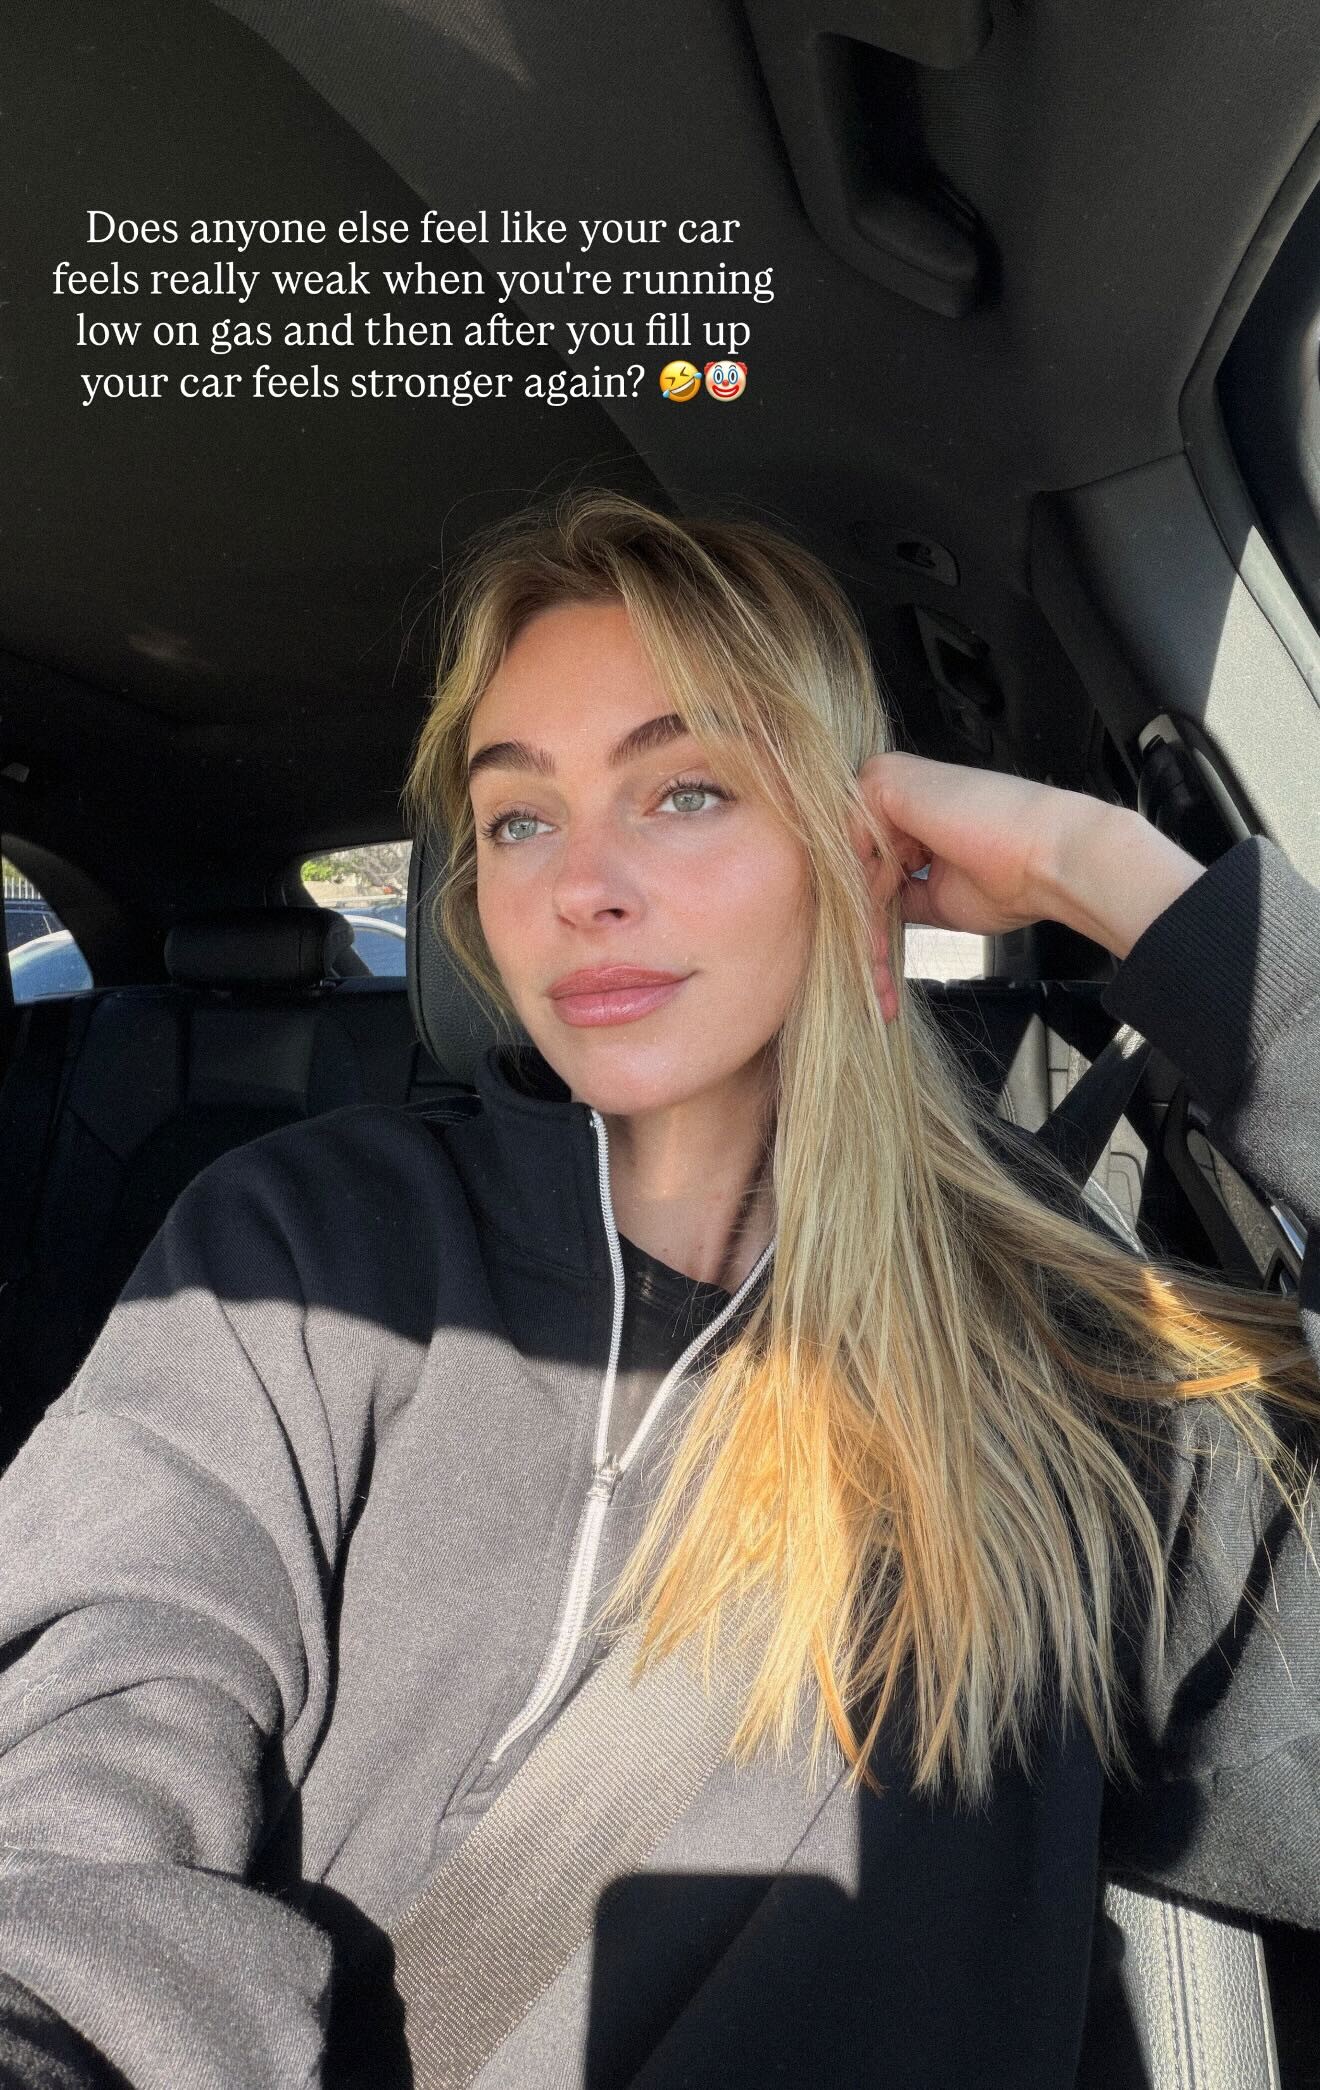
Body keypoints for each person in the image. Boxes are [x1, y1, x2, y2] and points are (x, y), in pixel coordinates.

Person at [0, 488, 1317, 2090]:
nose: (582, 884)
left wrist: (1119, 880)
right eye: (518, 818)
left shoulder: (1070, 1377)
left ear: (853, 845)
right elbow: (94, 1738)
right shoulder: (308, 1250)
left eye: (685, 790)